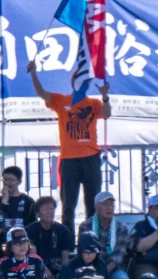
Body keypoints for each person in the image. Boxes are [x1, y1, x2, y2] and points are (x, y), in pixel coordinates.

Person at [28, 58, 111, 231]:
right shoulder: (61, 100)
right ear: (72, 81)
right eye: (78, 80)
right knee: (68, 204)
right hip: (69, 159)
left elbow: (106, 113)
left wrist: (105, 96)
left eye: (86, 82)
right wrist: (34, 73)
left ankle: (91, 237)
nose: (82, 84)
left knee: (93, 202)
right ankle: (67, 240)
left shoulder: (93, 103)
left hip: (91, 157)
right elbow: (42, 93)